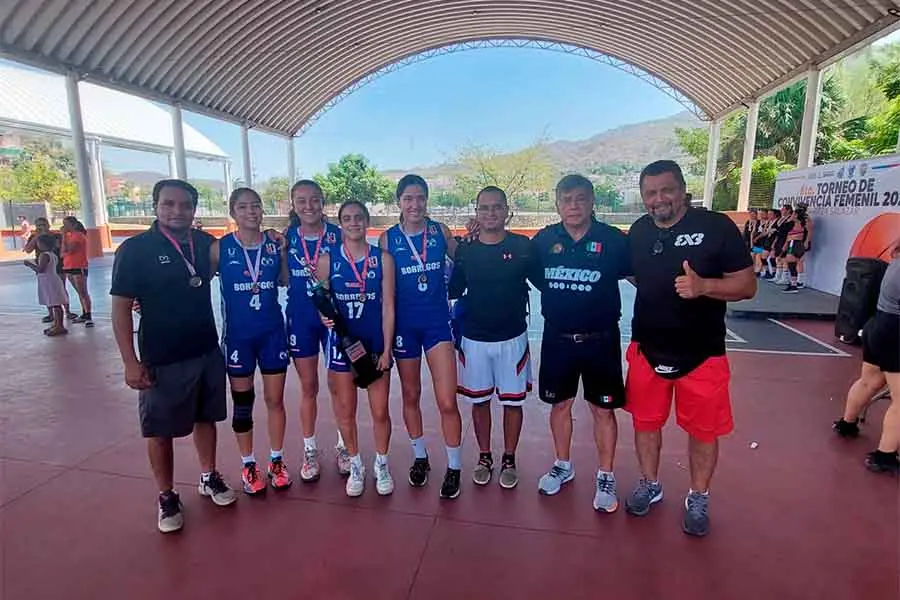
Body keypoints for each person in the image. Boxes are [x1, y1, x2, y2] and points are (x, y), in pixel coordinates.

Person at [624, 160, 756, 537]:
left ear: (683, 190)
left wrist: (704, 288)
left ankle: (699, 495)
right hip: (648, 349)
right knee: (645, 425)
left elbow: (747, 286)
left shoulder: (715, 227)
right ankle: (650, 484)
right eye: (650, 192)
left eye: (666, 190)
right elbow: (637, 275)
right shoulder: (638, 231)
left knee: (703, 432)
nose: (658, 199)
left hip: (703, 354)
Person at [110, 179, 236, 534]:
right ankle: (166, 495)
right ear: (155, 206)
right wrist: (129, 361)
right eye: (169, 204)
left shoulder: (204, 244)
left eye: (185, 205)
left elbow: (240, 250)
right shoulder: (134, 250)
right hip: (160, 356)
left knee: (206, 419)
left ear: (194, 210)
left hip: (206, 349)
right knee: (159, 431)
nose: (177, 211)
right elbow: (121, 309)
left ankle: (208, 477)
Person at [530, 174, 631, 512]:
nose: (573, 205)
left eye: (580, 199)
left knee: (602, 409)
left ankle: (606, 474)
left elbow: (642, 278)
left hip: (601, 340)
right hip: (558, 340)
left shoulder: (613, 241)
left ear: (592, 202)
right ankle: (563, 464)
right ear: (557, 204)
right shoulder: (544, 241)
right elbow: (527, 272)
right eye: (566, 199)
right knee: (560, 406)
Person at [449, 186, 542, 489]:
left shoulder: (523, 247)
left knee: (512, 404)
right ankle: (485, 455)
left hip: (512, 338)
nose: (490, 213)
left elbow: (546, 283)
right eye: (484, 208)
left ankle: (509, 458)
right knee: (479, 402)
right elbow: (453, 289)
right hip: (474, 339)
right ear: (476, 212)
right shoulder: (466, 249)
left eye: (496, 207)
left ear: (507, 211)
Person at [380, 174, 464, 499]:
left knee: (446, 400)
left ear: (427, 200)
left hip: (437, 325)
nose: (415, 205)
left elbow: (464, 265)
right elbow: (384, 292)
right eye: (408, 199)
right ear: (399, 202)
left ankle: (454, 466)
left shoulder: (440, 232)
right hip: (404, 328)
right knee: (411, 395)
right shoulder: (388, 240)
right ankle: (420, 456)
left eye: (420, 198)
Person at [214, 188, 292, 495]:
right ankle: (248, 464)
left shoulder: (273, 245)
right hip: (238, 339)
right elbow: (190, 279)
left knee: (275, 401)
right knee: (243, 404)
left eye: (256, 206)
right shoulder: (220, 249)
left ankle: (276, 461)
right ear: (233, 212)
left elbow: (284, 280)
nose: (251, 212)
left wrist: (283, 251)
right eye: (243, 207)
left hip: (272, 334)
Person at [318, 200, 397, 497]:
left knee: (379, 411)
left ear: (367, 222)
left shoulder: (383, 259)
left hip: (374, 345)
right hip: (342, 347)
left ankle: (382, 464)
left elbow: (388, 306)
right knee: (346, 412)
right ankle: (355, 464)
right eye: (348, 218)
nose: (354, 223)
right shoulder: (328, 260)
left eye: (359, 218)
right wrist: (322, 316)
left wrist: (388, 349)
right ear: (340, 224)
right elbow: (320, 300)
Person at [284, 180, 348, 482]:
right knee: (308, 387)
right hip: (300, 320)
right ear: (293, 204)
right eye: (301, 200)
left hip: (334, 320)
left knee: (339, 386)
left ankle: (343, 444)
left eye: (314, 200)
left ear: (323, 202)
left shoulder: (338, 235)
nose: (308, 206)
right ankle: (310, 449)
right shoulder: (284, 239)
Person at [833, 237, 900, 475]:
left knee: (869, 381)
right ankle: (884, 456)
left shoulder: (896, 260)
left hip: (878, 325)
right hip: (894, 332)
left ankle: (846, 424)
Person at [23, 217, 70, 322]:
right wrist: (36, 237)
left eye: (43, 224)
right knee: (47, 290)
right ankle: (51, 314)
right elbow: (27, 250)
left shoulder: (55, 236)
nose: (41, 227)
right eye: (39, 225)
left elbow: (62, 247)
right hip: (43, 266)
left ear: (48, 225)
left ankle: (67, 311)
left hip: (57, 264)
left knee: (61, 288)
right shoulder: (35, 237)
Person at [24, 234, 68, 337]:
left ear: (42, 244)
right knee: (54, 303)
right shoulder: (52, 254)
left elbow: (41, 269)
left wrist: (29, 264)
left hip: (49, 281)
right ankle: (57, 324)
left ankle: (59, 326)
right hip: (51, 280)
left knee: (56, 304)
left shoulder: (44, 255)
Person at [61, 216, 93, 327]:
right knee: (79, 292)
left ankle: (88, 315)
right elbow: (62, 252)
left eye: (66, 224)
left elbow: (69, 250)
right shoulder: (69, 236)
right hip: (68, 266)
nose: (64, 226)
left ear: (73, 224)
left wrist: (63, 236)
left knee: (83, 292)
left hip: (78, 266)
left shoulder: (78, 236)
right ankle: (84, 313)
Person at [781, 206, 806, 293]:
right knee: (790, 263)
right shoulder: (794, 223)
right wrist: (785, 244)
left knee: (792, 263)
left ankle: (794, 285)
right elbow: (785, 231)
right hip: (792, 243)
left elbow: (784, 227)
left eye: (794, 214)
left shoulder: (799, 223)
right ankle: (792, 283)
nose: (792, 215)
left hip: (795, 243)